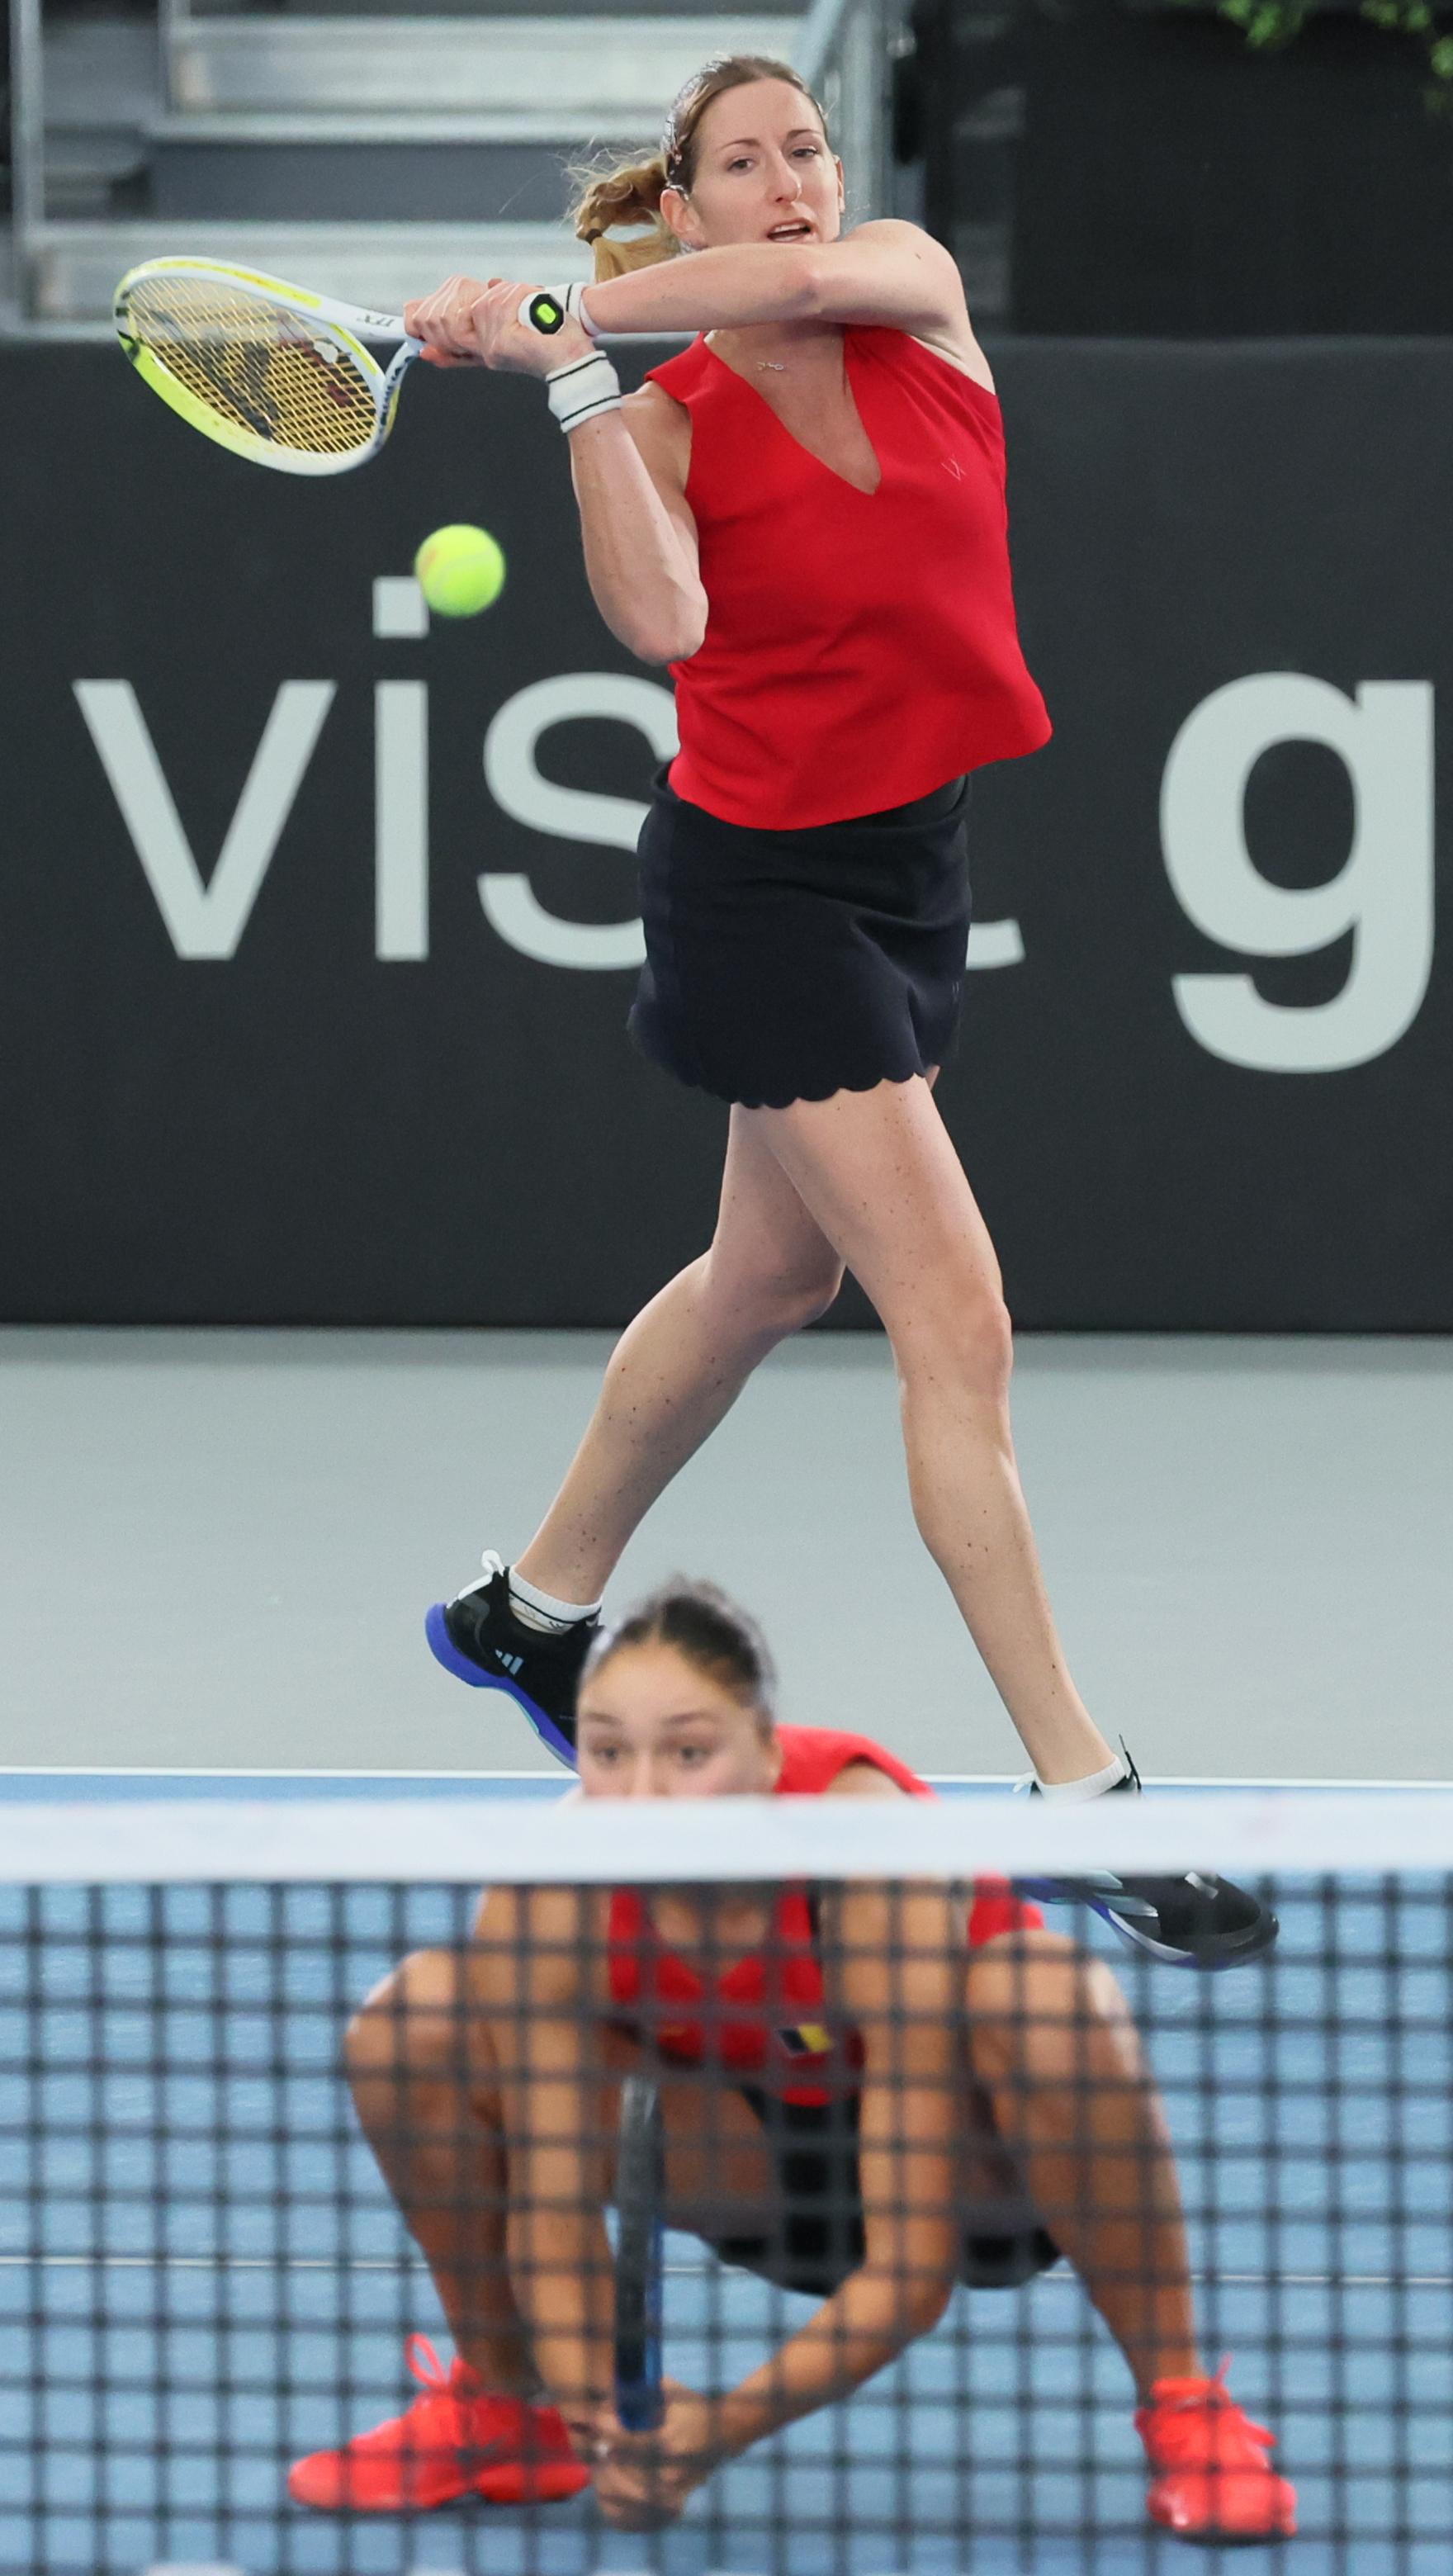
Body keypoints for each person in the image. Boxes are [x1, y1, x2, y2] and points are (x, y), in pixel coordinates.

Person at [400, 55, 1274, 1974]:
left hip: (910, 867)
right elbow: (665, 630)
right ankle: (1085, 1794)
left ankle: (527, 1609)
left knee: (762, 1282)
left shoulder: (899, 278)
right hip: (755, 891)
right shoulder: (667, 415)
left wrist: (558, 310)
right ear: (686, 204)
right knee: (949, 1314)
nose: (789, 181)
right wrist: (569, 386)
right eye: (744, 164)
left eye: (801, 145)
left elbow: (798, 297)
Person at [289, 1580, 1295, 2545]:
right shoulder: (557, 1892)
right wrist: (611, 2414)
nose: (643, 1796)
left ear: (766, 1752)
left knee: (1038, 1992)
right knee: (413, 2024)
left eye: (687, 1754)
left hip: (979, 2175)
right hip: (738, 2167)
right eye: (607, 1754)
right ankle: (512, 2412)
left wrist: (715, 2433)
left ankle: (1185, 2407)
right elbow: (550, 2213)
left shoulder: (866, 1852)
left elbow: (912, 2268)